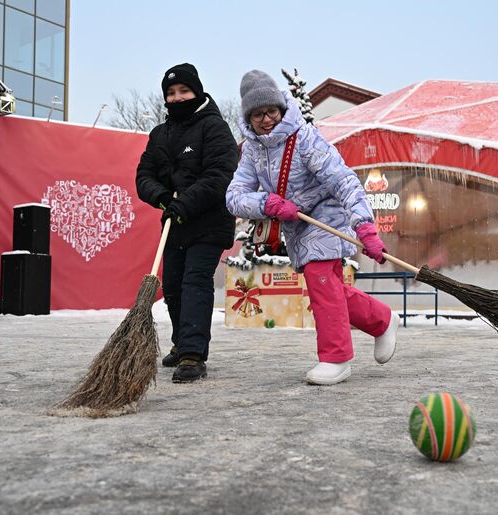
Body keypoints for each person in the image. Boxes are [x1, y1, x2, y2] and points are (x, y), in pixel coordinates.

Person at [226, 70, 400, 386]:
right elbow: (234, 197)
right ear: (248, 118)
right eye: (257, 115)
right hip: (297, 227)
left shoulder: (305, 138)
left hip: (326, 217)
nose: (266, 120)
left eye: (271, 111)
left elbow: (344, 181)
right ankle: (382, 320)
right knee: (331, 289)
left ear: (281, 109)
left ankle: (336, 359)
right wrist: (268, 204)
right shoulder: (252, 150)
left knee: (322, 280)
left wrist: (365, 228)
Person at [136, 63, 238, 383]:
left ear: (197, 91)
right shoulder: (160, 134)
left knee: (195, 281)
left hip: (208, 221)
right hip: (175, 222)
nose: (177, 97)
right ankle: (181, 343)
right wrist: (163, 197)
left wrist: (184, 203)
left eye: (184, 91)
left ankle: (193, 354)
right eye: (171, 93)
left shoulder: (214, 128)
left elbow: (220, 175)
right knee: (175, 286)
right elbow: (144, 176)